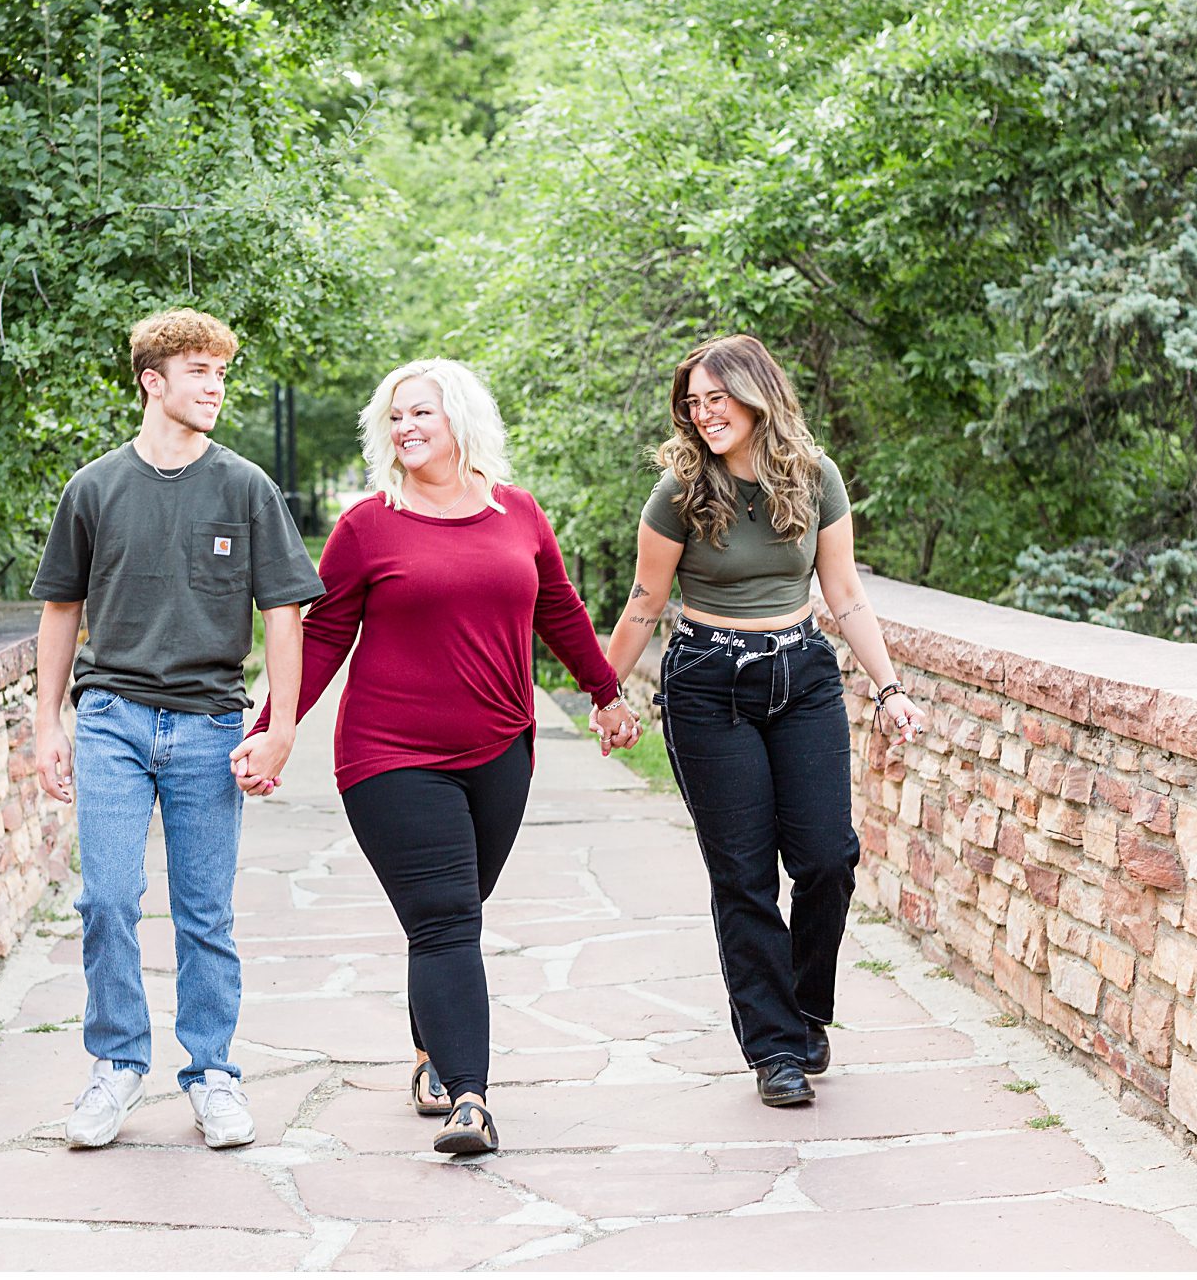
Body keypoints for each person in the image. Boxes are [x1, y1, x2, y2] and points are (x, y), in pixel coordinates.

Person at [235, 358, 638, 1156]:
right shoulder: (366, 526)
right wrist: (274, 727)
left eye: (421, 412)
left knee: (449, 920)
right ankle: (471, 1101)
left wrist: (605, 691)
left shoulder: (518, 514)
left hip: (500, 749)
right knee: (449, 921)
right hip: (390, 755)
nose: (406, 428)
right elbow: (322, 640)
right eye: (394, 417)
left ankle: (430, 1055)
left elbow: (558, 609)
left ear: (460, 419)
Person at [603, 332, 926, 1109]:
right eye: (693, 402)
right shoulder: (678, 493)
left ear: (756, 395)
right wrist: (603, 693)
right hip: (709, 684)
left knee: (827, 859)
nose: (703, 413)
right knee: (744, 875)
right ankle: (776, 1048)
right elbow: (645, 604)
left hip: (802, 674)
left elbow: (844, 594)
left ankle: (807, 1007)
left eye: (717, 398)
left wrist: (889, 689)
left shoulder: (815, 478)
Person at [31, 308, 325, 1151]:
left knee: (205, 914)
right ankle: (117, 1066)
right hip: (112, 720)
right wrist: (47, 722)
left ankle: (214, 1074)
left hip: (208, 724)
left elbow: (283, 615)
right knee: (107, 900)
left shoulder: (245, 487)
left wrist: (279, 726)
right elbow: (61, 610)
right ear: (153, 381)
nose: (216, 387)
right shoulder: (93, 488)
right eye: (200, 372)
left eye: (223, 373)